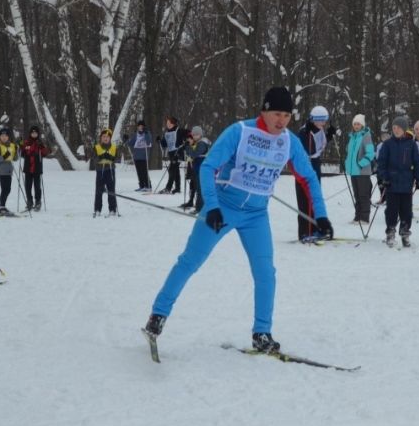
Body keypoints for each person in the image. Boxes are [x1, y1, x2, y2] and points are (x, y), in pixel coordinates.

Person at [142, 86, 333, 354]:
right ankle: (157, 316)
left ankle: (262, 333)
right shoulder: (240, 132)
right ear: (264, 111)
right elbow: (207, 167)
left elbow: (309, 178)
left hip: (256, 215)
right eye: (277, 114)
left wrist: (321, 216)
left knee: (266, 272)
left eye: (287, 116)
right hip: (223, 207)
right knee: (190, 261)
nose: (282, 121)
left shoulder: (289, 141)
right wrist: (213, 206)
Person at [377, 115, 419, 247]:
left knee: (406, 211)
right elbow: (381, 163)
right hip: (391, 183)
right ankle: (390, 232)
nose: (396, 130)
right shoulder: (387, 144)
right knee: (391, 210)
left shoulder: (411, 144)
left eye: (398, 128)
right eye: (394, 128)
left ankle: (405, 232)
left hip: (406, 183)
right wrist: (384, 178)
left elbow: (417, 163)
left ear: (404, 129)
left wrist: (418, 178)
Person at [296, 105, 336, 240]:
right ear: (314, 120)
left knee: (315, 197)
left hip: (315, 165)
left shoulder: (319, 130)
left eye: (325, 120)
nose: (323, 123)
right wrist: (309, 134)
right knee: (305, 199)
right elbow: (310, 150)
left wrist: (329, 136)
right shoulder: (304, 132)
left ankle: (315, 228)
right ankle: (304, 231)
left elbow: (319, 147)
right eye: (321, 120)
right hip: (304, 166)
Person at [345, 115, 376, 224]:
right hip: (354, 172)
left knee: (363, 195)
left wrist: (360, 164)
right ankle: (357, 217)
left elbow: (371, 153)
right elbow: (350, 153)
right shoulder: (352, 137)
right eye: (355, 124)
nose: (356, 126)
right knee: (357, 195)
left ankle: (364, 218)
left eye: (358, 124)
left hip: (362, 171)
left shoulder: (366, 136)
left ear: (362, 125)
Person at [19, 125, 50, 212]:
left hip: (37, 168)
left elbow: (45, 153)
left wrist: (42, 147)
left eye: (35, 133)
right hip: (28, 168)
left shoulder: (40, 143)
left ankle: (38, 202)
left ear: (38, 134)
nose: (34, 134)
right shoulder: (26, 142)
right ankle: (29, 201)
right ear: (30, 133)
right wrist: (20, 145)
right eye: (32, 133)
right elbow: (22, 153)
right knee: (28, 186)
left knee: (37, 186)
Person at [181, 127, 211, 211]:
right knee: (198, 188)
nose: (194, 136)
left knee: (200, 189)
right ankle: (199, 206)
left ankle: (199, 208)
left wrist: (188, 147)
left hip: (202, 168)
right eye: (193, 135)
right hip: (198, 168)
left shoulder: (202, 143)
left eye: (196, 135)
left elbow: (194, 154)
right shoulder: (199, 142)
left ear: (200, 135)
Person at [93, 128, 119, 217]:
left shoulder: (114, 147)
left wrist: (111, 158)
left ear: (110, 138)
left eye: (107, 137)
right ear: (101, 138)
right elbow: (94, 160)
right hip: (100, 171)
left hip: (110, 171)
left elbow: (116, 158)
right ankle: (97, 209)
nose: (105, 138)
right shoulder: (97, 147)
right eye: (103, 136)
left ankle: (112, 209)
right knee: (99, 191)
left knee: (111, 190)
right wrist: (101, 157)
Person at [0, 128, 18, 217]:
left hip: (9, 170)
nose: (4, 137)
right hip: (2, 170)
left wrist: (16, 151)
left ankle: (3, 207)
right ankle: (1, 208)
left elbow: (15, 159)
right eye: (2, 136)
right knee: (5, 189)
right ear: (0, 137)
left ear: (8, 137)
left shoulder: (11, 145)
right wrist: (4, 156)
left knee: (8, 189)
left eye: (5, 136)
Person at [158, 116, 185, 194]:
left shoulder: (178, 130)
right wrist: (160, 140)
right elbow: (164, 144)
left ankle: (168, 188)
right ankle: (177, 188)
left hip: (178, 154)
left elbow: (184, 139)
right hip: (171, 154)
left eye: (169, 123)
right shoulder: (167, 132)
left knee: (172, 169)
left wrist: (183, 146)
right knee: (175, 170)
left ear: (173, 123)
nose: (167, 125)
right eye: (167, 123)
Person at [125, 120, 153, 192]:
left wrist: (146, 133)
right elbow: (131, 143)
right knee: (139, 172)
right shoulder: (135, 134)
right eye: (139, 126)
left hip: (144, 155)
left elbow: (149, 141)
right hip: (137, 156)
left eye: (142, 126)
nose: (140, 128)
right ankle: (142, 185)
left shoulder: (147, 133)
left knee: (144, 171)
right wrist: (126, 140)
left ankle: (148, 186)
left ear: (144, 127)